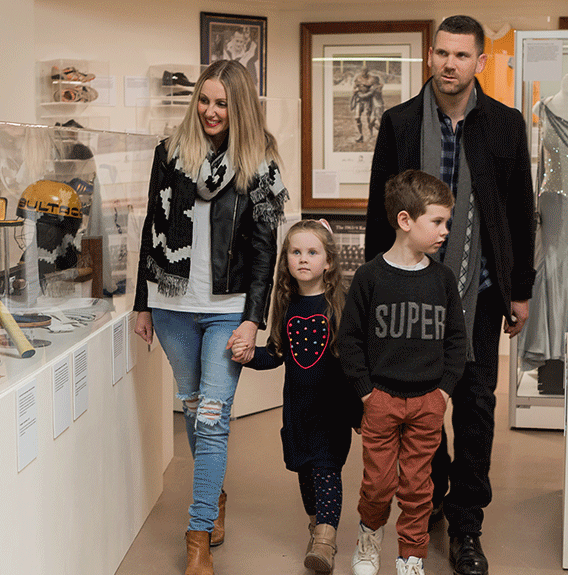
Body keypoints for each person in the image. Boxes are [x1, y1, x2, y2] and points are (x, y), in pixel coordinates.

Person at [364, 15, 536, 575]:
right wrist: (372, 291)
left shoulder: (505, 126)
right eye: (441, 53)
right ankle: (434, 488)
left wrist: (521, 289)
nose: (449, 64)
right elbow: (379, 212)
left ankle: (467, 524)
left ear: (480, 62)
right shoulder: (399, 122)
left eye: (462, 55)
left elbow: (517, 213)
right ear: (429, 56)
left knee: (477, 406)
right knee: (421, 398)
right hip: (411, 293)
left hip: (481, 291)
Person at [132, 58, 287, 575]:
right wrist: (141, 302)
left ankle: (196, 535)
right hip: (172, 304)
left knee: (213, 421)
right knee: (196, 413)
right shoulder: (170, 154)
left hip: (226, 309)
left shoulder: (260, 162)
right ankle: (213, 496)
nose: (210, 111)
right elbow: (151, 229)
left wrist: (253, 320)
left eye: (222, 103)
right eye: (204, 99)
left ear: (239, 106)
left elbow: (265, 249)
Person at [340, 169, 466, 575]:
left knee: (418, 487)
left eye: (447, 221)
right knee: (377, 484)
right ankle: (368, 539)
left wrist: (443, 392)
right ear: (406, 221)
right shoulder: (369, 277)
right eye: (438, 221)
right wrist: (364, 392)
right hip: (380, 400)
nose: (445, 229)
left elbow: (456, 341)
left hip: (427, 402)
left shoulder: (444, 280)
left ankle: (411, 557)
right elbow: (351, 339)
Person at [235, 219, 361, 574]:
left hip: (331, 411)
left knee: (326, 470)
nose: (303, 259)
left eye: (312, 252)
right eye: (295, 252)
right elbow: (275, 354)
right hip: (297, 413)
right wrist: (247, 355)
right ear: (285, 259)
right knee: (306, 474)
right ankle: (316, 526)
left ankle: (325, 539)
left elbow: (353, 362)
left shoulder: (339, 307)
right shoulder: (287, 306)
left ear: (329, 262)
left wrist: (360, 409)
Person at [350, 66, 384, 143]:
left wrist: (375, 88)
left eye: (365, 71)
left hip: (368, 100)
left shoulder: (372, 79)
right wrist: (355, 91)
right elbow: (354, 88)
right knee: (357, 117)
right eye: (362, 71)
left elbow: (379, 85)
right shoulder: (358, 78)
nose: (363, 72)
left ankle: (371, 134)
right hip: (359, 100)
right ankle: (360, 135)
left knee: (368, 117)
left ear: (367, 71)